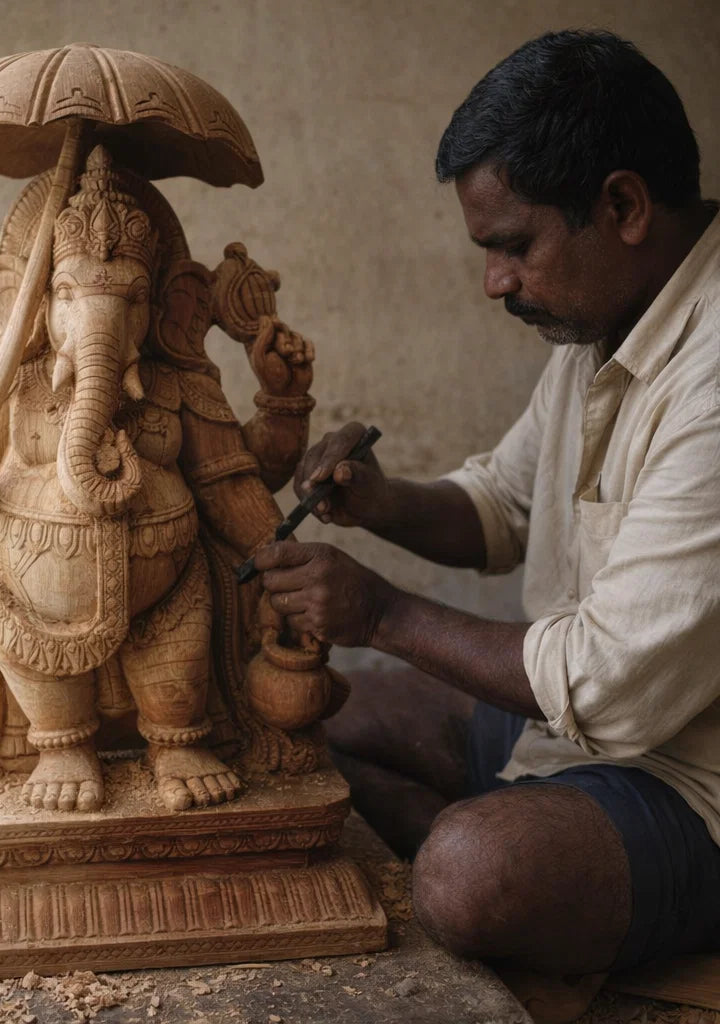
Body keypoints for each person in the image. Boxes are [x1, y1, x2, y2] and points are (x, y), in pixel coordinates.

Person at [254, 28, 720, 991]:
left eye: (513, 247)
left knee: (472, 875)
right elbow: (500, 509)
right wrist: (379, 502)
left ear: (623, 205)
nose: (495, 283)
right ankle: (536, 871)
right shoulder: (604, 328)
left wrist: (381, 613)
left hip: (695, 780)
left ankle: (509, 873)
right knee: (319, 722)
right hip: (580, 735)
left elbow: (608, 684)